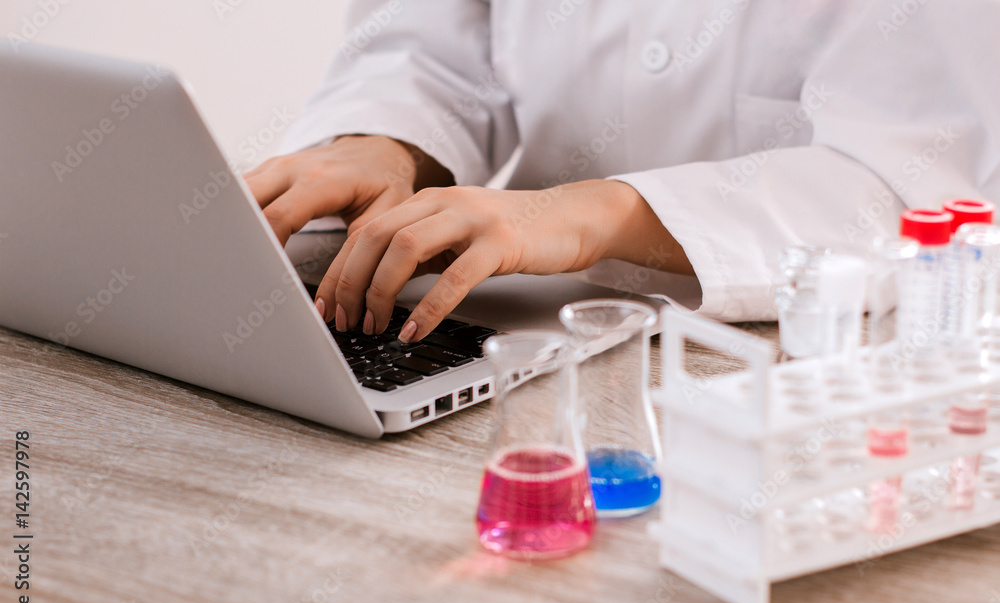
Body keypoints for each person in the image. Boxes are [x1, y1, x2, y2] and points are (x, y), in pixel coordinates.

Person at [245, 0, 1000, 344]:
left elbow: (910, 180)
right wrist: (385, 143)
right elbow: (435, 47)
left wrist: (594, 215)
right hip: (515, 331)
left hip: (804, 370)